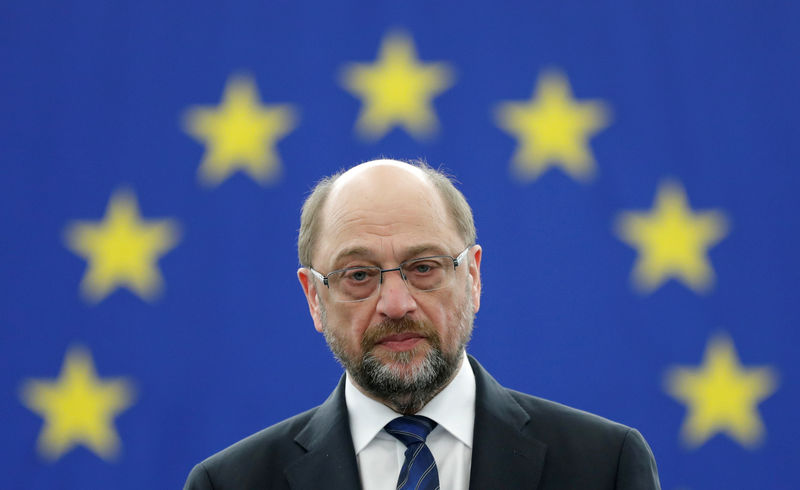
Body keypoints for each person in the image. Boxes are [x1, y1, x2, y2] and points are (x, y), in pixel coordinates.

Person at [184, 159, 661, 489]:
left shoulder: (604, 466)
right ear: (314, 297)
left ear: (472, 277)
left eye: (424, 267)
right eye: (359, 275)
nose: (396, 304)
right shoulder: (229, 483)